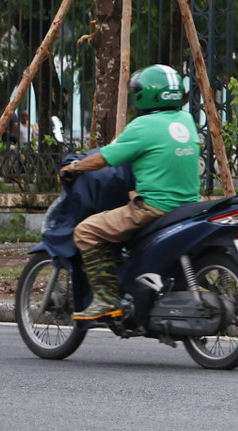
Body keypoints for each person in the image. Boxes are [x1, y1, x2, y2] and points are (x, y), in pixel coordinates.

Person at [60, 64, 202, 321]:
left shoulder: (142, 126)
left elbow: (103, 159)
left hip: (153, 208)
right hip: (188, 208)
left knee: (86, 231)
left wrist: (74, 167)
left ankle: (106, 299)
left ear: (145, 95)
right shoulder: (186, 119)